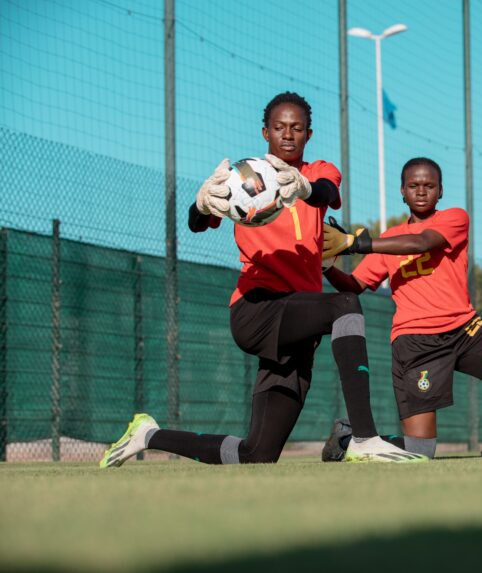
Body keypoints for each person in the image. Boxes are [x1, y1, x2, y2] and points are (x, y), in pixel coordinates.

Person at [99, 91, 426, 467]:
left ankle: (148, 434)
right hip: (256, 309)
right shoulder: (243, 178)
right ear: (265, 132)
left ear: (308, 134)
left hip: (297, 327)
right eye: (279, 127)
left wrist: (304, 188)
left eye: (297, 128)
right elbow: (196, 222)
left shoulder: (319, 170)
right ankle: (365, 438)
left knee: (257, 453)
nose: (288, 134)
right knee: (344, 304)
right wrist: (201, 203)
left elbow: (326, 192)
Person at [317, 157, 482, 460]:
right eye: (414, 185)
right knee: (421, 452)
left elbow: (422, 242)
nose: (422, 191)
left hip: (466, 331)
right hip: (416, 345)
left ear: (440, 191)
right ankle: (347, 439)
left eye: (429, 185)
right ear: (402, 191)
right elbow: (354, 286)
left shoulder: (454, 218)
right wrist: (326, 267)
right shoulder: (388, 240)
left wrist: (353, 242)